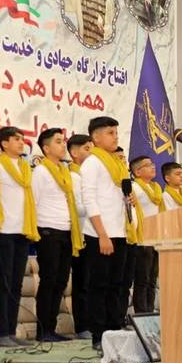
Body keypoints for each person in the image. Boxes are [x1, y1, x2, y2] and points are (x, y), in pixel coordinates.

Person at [81, 116, 139, 350]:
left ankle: (115, 329)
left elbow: (116, 197)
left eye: (116, 132)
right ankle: (99, 335)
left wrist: (129, 200)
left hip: (120, 232)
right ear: (95, 137)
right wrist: (102, 235)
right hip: (100, 234)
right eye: (110, 133)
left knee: (118, 285)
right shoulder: (92, 163)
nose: (115, 137)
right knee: (99, 286)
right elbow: (89, 200)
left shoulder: (118, 164)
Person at [32, 128, 83, 342]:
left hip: (66, 231)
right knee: (49, 279)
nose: (63, 145)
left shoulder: (64, 172)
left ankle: (51, 329)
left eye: (63, 141)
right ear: (46, 148)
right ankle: (43, 330)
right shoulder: (41, 172)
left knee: (61, 281)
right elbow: (33, 202)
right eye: (58, 142)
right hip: (47, 230)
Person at [0, 127, 39, 347]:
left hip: (23, 229)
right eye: (16, 139)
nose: (22, 143)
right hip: (4, 229)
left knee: (17, 283)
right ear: (4, 144)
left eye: (23, 139)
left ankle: (11, 332)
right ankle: (2, 333)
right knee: (5, 282)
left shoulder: (25, 167)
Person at [67, 134, 93, 339]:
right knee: (82, 282)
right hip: (80, 234)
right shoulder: (73, 177)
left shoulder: (91, 176)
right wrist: (97, 207)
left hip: (95, 234)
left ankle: (95, 323)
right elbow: (77, 207)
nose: (91, 153)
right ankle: (82, 325)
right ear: (74, 153)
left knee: (94, 282)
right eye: (87, 149)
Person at [129, 156, 163, 313]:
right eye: (148, 165)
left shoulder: (156, 188)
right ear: (137, 172)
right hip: (142, 239)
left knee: (152, 280)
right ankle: (141, 314)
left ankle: (150, 312)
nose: (153, 167)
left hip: (156, 238)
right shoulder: (134, 187)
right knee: (142, 279)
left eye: (152, 164)